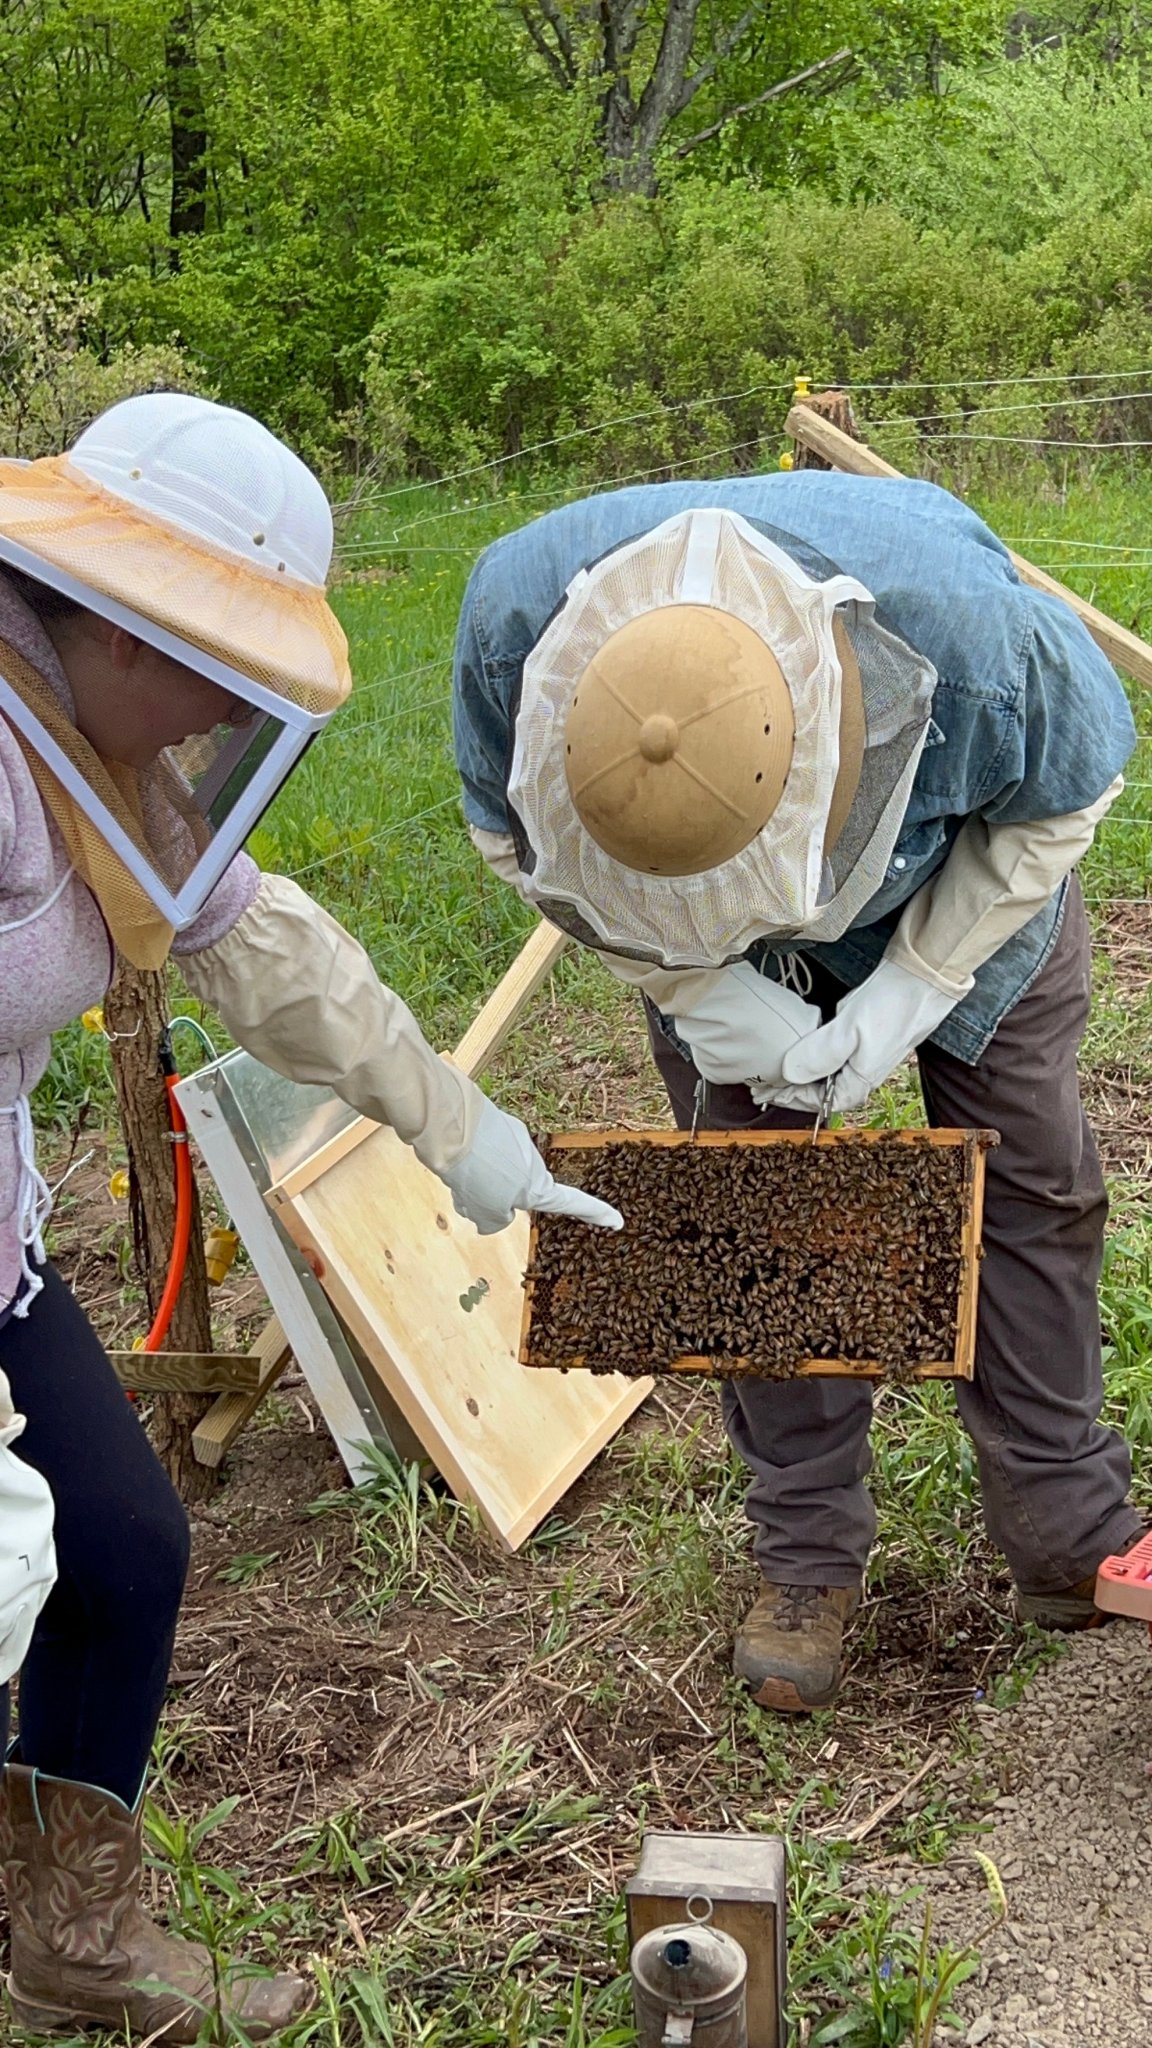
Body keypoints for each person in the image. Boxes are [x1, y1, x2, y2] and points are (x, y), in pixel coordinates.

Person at [0, 392, 621, 2042]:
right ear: (131, 623)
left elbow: (263, 950)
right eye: (230, 661)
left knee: (118, 1549)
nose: (234, 706)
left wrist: (467, 1134)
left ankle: (72, 1938)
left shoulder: (95, 746)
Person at [452, 472, 1146, 1714]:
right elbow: (511, 841)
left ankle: (1065, 1525)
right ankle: (807, 1552)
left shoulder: (976, 641)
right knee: (753, 1203)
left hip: (960, 874)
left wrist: (914, 984)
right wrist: (697, 983)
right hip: (696, 929)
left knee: (1030, 1170)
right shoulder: (513, 627)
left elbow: (1068, 794)